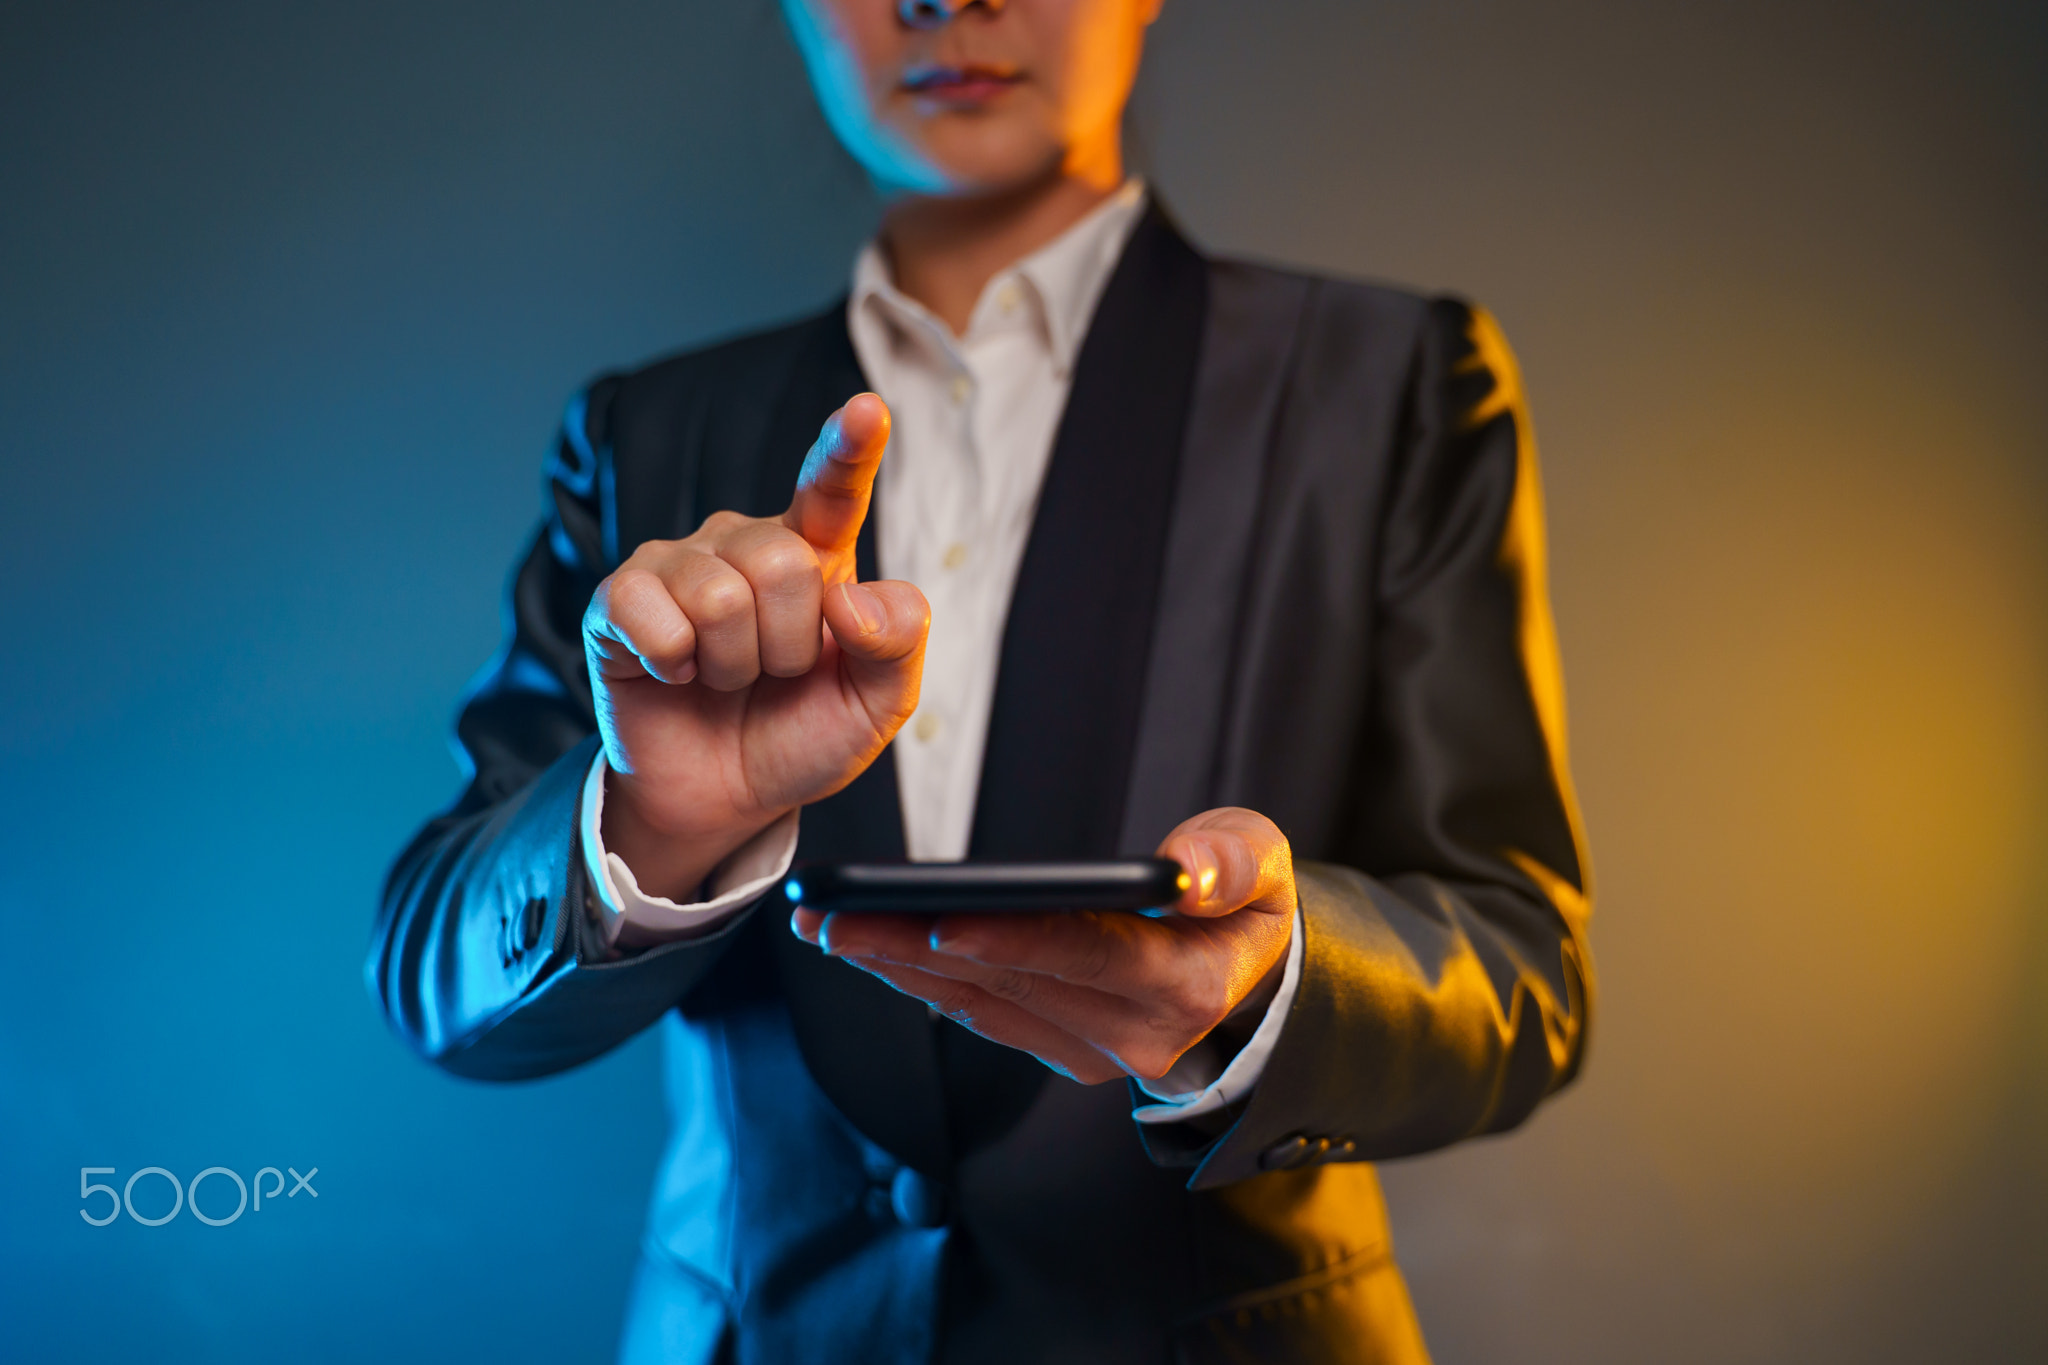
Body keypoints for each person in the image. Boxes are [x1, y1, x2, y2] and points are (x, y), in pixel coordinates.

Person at [367, 0, 1594, 1360]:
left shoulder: (1396, 384)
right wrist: (647, 825)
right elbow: (437, 965)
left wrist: (1270, 988)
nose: (949, 0)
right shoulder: (642, 431)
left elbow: (1520, 964)